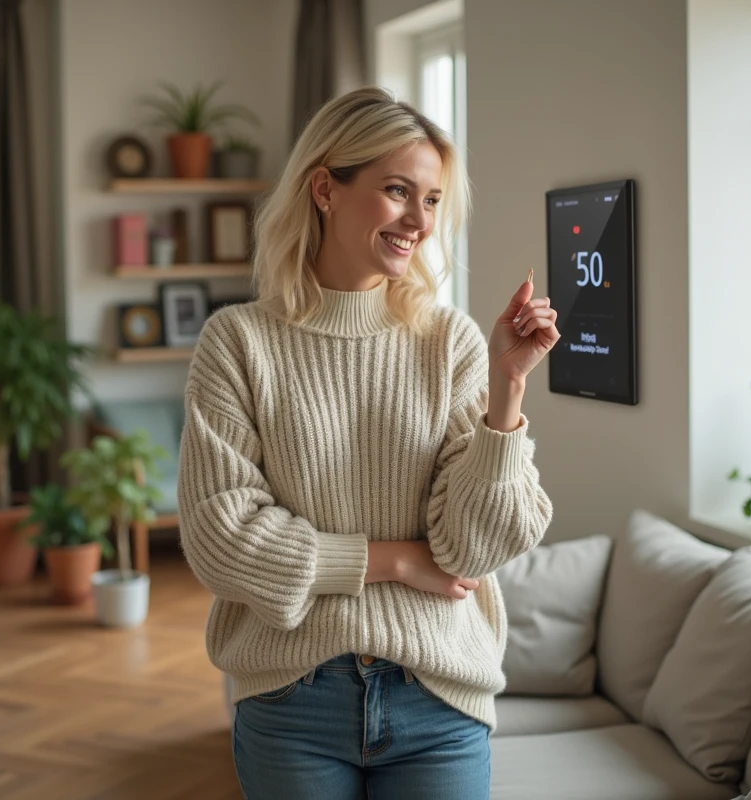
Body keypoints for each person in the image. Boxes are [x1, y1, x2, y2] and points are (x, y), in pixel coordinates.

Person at [177, 85, 559, 800]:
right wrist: (397, 562)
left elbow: (471, 551)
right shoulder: (238, 342)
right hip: (292, 700)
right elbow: (219, 539)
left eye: (433, 200)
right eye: (397, 191)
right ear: (325, 189)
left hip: (437, 697)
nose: (420, 221)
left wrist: (507, 389)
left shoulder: (452, 343)